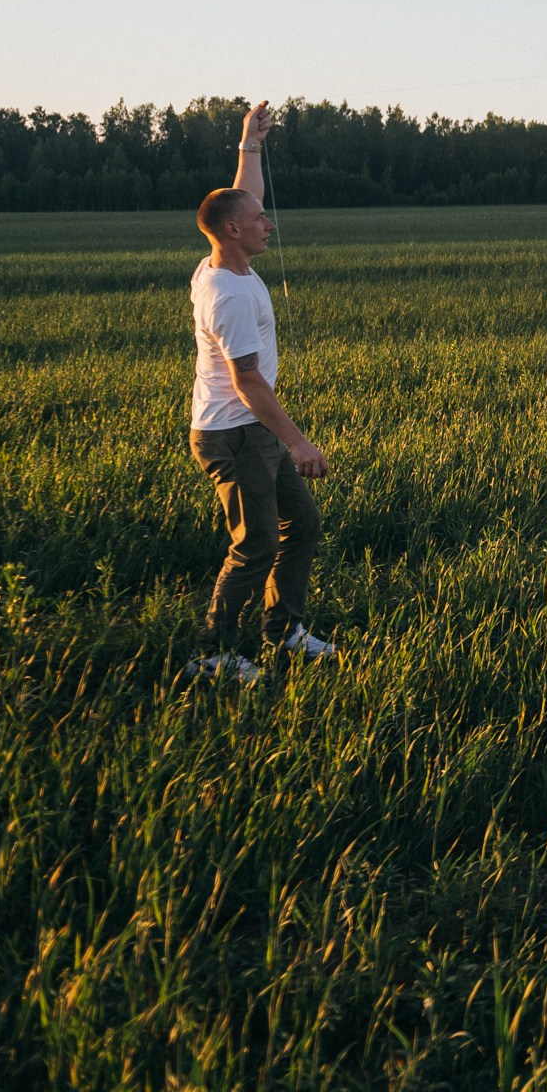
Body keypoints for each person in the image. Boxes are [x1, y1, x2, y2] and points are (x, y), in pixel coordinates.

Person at [188, 101, 336, 681]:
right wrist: (298, 442)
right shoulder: (231, 296)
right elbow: (247, 381)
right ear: (233, 231)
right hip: (236, 434)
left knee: (301, 525)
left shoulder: (220, 262)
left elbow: (239, 195)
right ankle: (211, 654)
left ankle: (286, 629)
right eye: (259, 220)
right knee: (254, 546)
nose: (268, 222)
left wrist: (250, 142)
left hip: (252, 434)